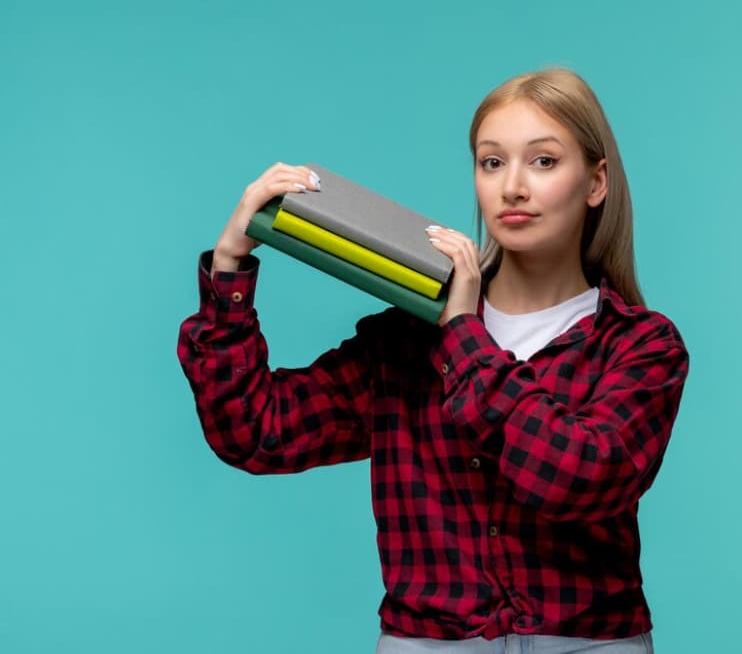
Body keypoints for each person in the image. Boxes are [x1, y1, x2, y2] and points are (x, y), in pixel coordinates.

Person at [178, 68, 689, 653]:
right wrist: (229, 267)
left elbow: (580, 480)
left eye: (544, 161)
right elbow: (254, 432)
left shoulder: (642, 347)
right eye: (492, 162)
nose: (513, 187)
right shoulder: (402, 343)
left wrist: (463, 336)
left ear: (596, 182)